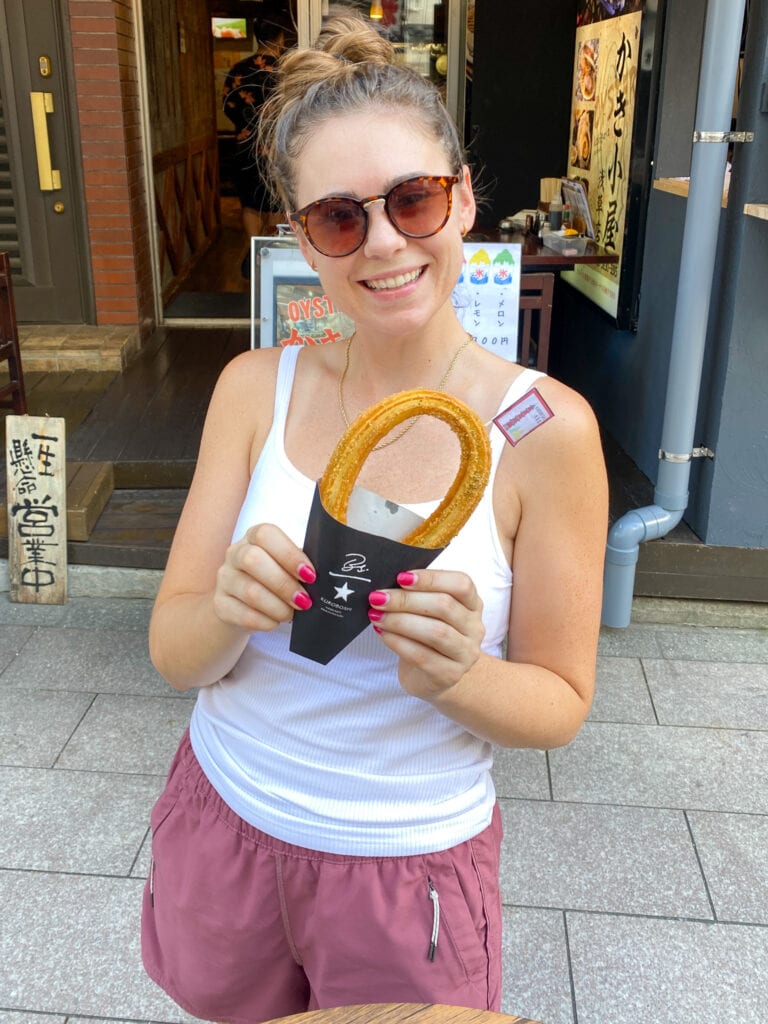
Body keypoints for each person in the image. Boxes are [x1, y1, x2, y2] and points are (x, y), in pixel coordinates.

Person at [141, 8, 608, 1023]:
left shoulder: (547, 432)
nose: (386, 241)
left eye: (415, 199)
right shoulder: (253, 388)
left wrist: (462, 673)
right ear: (303, 236)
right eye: (341, 217)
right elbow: (175, 649)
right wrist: (227, 607)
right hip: (229, 814)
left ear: (465, 196)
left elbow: (561, 702)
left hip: (408, 865)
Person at [222, 12, 294, 272]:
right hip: (276, 150)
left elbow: (228, 106)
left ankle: (253, 251)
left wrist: (246, 126)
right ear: (280, 38)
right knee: (275, 203)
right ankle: (271, 258)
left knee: (250, 204)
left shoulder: (237, 70)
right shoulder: (287, 70)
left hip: (244, 149)